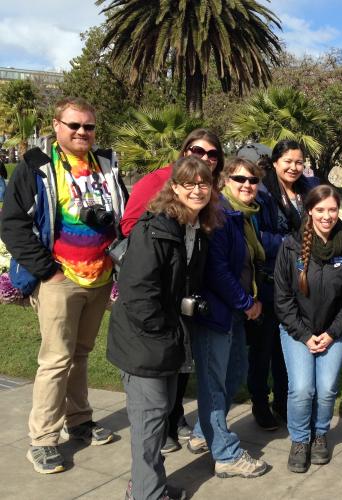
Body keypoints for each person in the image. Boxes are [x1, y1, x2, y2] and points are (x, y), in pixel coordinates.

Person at [0, 97, 126, 474]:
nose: (81, 132)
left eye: (88, 126)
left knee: (81, 353)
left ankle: (80, 420)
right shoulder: (37, 167)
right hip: (59, 278)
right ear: (56, 126)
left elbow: (122, 213)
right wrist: (46, 271)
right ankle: (42, 440)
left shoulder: (106, 165)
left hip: (99, 276)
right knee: (55, 359)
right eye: (73, 125)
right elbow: (12, 224)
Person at [107, 156, 221, 500]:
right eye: (190, 183)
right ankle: (147, 494)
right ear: (174, 188)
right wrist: (167, 332)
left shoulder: (194, 228)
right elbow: (138, 294)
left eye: (204, 183)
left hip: (166, 337)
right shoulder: (154, 228)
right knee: (150, 422)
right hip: (145, 341)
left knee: (156, 419)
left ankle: (146, 485)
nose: (198, 190)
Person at [120, 128, 225, 454]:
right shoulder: (158, 189)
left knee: (179, 368)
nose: (204, 157)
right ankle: (157, 444)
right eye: (197, 150)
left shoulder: (209, 199)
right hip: (157, 300)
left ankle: (174, 417)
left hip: (187, 297)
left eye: (212, 154)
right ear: (184, 151)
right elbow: (132, 227)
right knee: (158, 378)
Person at [187, 158, 269, 478]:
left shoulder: (241, 216)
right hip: (216, 311)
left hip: (231, 311)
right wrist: (246, 301)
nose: (248, 185)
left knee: (235, 371)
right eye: (240, 179)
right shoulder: (219, 216)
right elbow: (217, 271)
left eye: (253, 180)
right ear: (224, 181)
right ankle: (225, 453)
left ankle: (200, 433)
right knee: (214, 383)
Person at [274, 185, 342, 473]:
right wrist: (303, 335)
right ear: (309, 211)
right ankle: (300, 440)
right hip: (297, 330)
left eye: (333, 209)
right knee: (302, 389)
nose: (327, 216)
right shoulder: (291, 246)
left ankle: (320, 434)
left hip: (332, 332)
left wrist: (332, 332)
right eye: (321, 210)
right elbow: (283, 298)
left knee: (325, 391)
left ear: (340, 211)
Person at [247, 139, 318, 431]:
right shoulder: (262, 193)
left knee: (287, 346)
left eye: (299, 162)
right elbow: (258, 235)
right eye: (287, 161)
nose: (293, 167)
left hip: (297, 282)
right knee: (262, 347)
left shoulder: (307, 192)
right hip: (268, 280)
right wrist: (296, 244)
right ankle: (260, 403)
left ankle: (282, 401)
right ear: (275, 162)